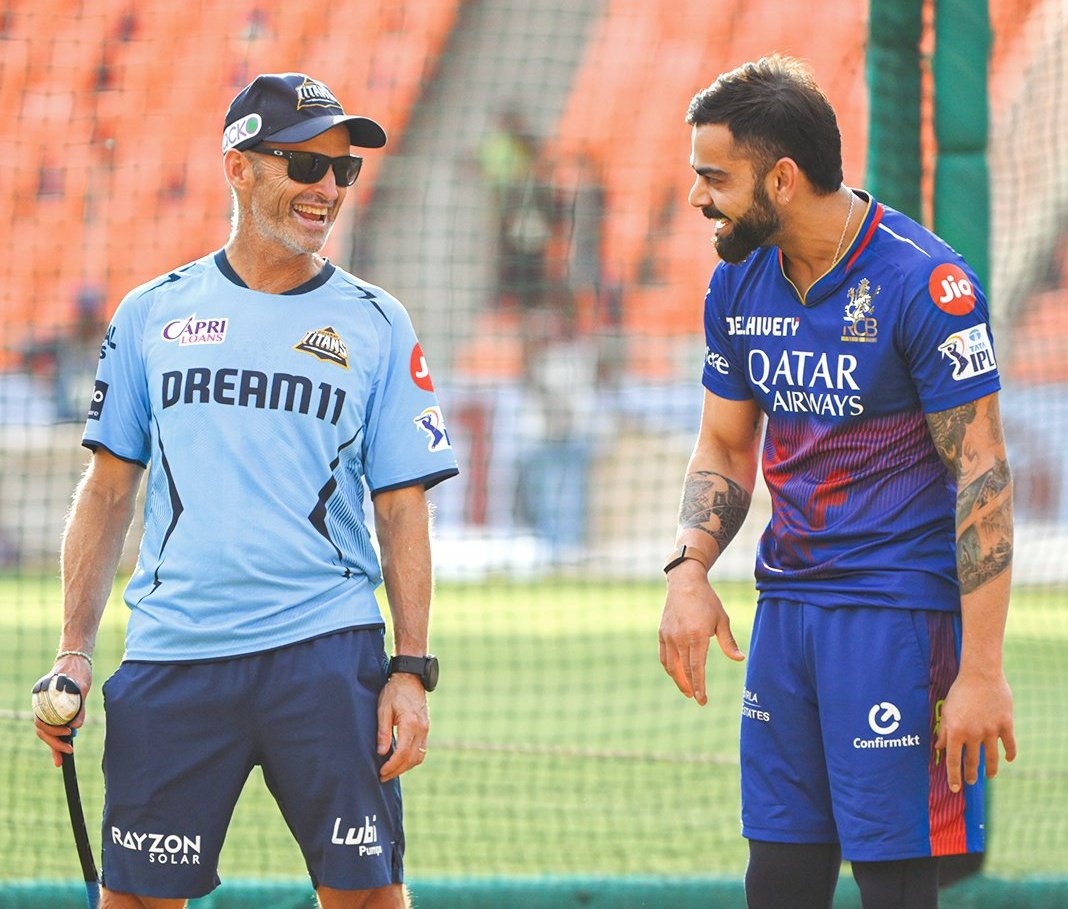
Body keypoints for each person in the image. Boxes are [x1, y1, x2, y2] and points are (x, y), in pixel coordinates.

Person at [33, 72, 458, 909]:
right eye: (305, 165)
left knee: (369, 897)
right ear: (240, 165)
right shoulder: (150, 313)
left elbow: (402, 507)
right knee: (138, 902)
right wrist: (74, 651)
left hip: (327, 653)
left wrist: (409, 670)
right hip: (175, 652)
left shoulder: (378, 321)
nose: (328, 189)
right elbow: (108, 489)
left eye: (345, 171)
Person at [658, 56, 1015, 909]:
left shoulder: (924, 282)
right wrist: (691, 567)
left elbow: (982, 474)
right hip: (788, 615)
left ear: (781, 177)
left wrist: (981, 670)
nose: (700, 197)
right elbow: (724, 442)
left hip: (897, 619)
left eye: (716, 177)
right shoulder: (738, 281)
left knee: (893, 880)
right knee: (778, 876)